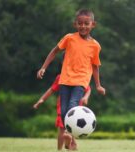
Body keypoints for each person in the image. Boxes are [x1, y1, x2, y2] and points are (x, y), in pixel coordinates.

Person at [36, 9, 105, 141]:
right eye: (80, 23)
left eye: (86, 23)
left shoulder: (95, 45)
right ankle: (70, 135)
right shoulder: (69, 38)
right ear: (75, 24)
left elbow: (95, 66)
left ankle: (69, 135)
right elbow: (54, 51)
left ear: (93, 24)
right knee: (63, 111)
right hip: (65, 79)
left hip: (81, 81)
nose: (83, 26)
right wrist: (43, 67)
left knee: (72, 104)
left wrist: (98, 85)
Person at [33, 74, 91, 151]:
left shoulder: (79, 76)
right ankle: (64, 148)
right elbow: (51, 89)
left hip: (76, 110)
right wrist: (42, 100)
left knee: (69, 127)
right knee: (63, 128)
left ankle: (68, 147)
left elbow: (88, 89)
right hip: (63, 107)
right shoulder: (61, 77)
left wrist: (86, 97)